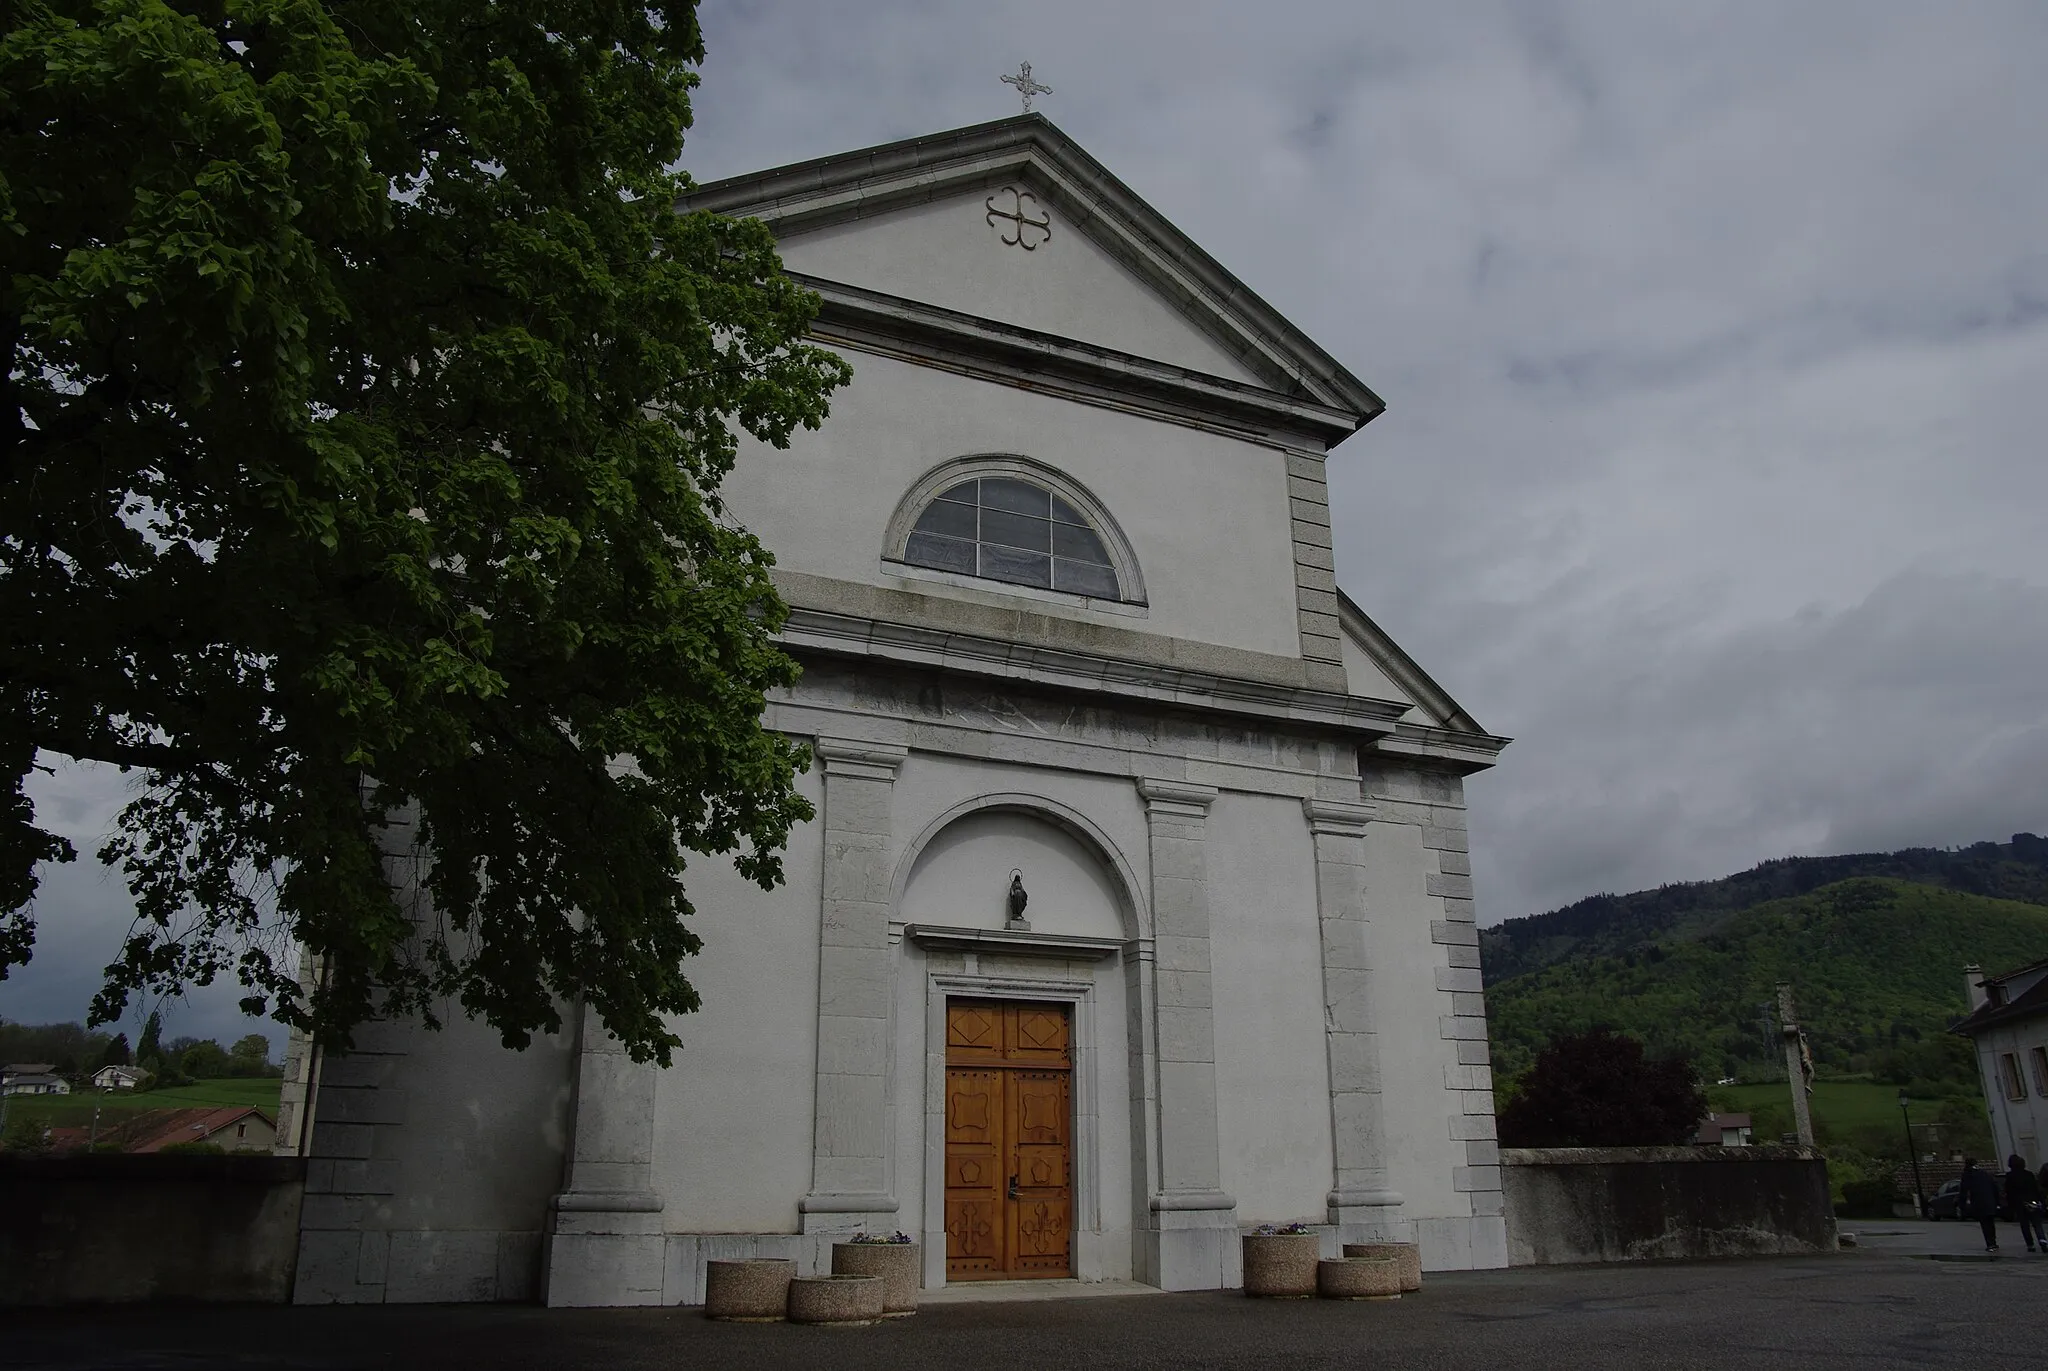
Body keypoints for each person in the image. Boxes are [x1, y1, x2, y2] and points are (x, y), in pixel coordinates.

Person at [2006, 1155, 2046, 1253]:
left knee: (2025, 1225)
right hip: (2032, 1201)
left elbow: (2009, 1192)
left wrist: (2011, 1206)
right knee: (2037, 1223)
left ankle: (2030, 1245)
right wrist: (2041, 1201)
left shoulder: (2010, 1176)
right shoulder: (2029, 1174)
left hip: (2019, 1203)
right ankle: (2043, 1241)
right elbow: (2036, 1189)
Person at [1960, 1158, 2001, 1252]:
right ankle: (1993, 1242)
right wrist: (1997, 1202)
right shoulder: (1984, 1173)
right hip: (1990, 1201)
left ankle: (1990, 1243)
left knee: (1985, 1223)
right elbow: (1994, 1187)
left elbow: (1963, 1191)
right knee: (1990, 1222)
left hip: (1979, 1202)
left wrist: (1962, 1205)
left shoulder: (1967, 1175)